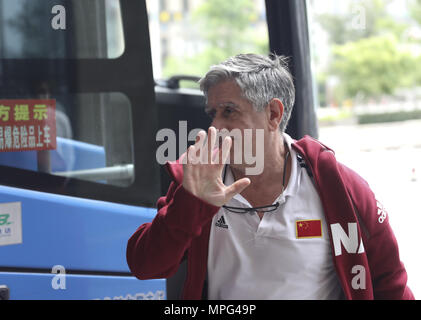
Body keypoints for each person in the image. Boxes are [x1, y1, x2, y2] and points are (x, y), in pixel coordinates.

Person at [126, 53, 414, 300]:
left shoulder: (339, 187)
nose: (215, 126)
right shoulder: (198, 181)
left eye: (229, 111)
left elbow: (391, 283)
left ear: (274, 114)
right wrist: (191, 203)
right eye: (212, 113)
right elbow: (145, 266)